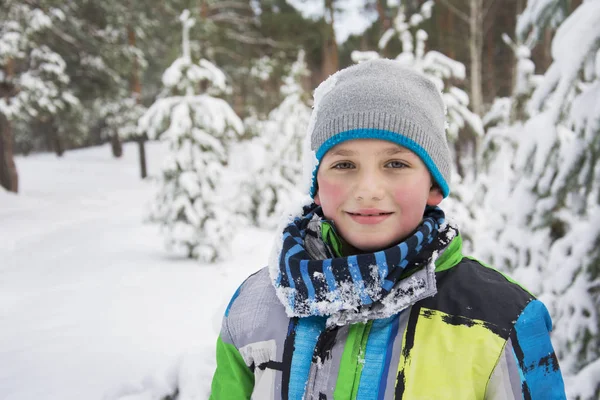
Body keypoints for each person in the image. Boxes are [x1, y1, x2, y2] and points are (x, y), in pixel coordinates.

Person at [210, 59, 566, 399]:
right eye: (344, 163)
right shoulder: (255, 306)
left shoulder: (503, 320)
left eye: (395, 163)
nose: (368, 188)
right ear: (316, 187)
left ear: (434, 186)